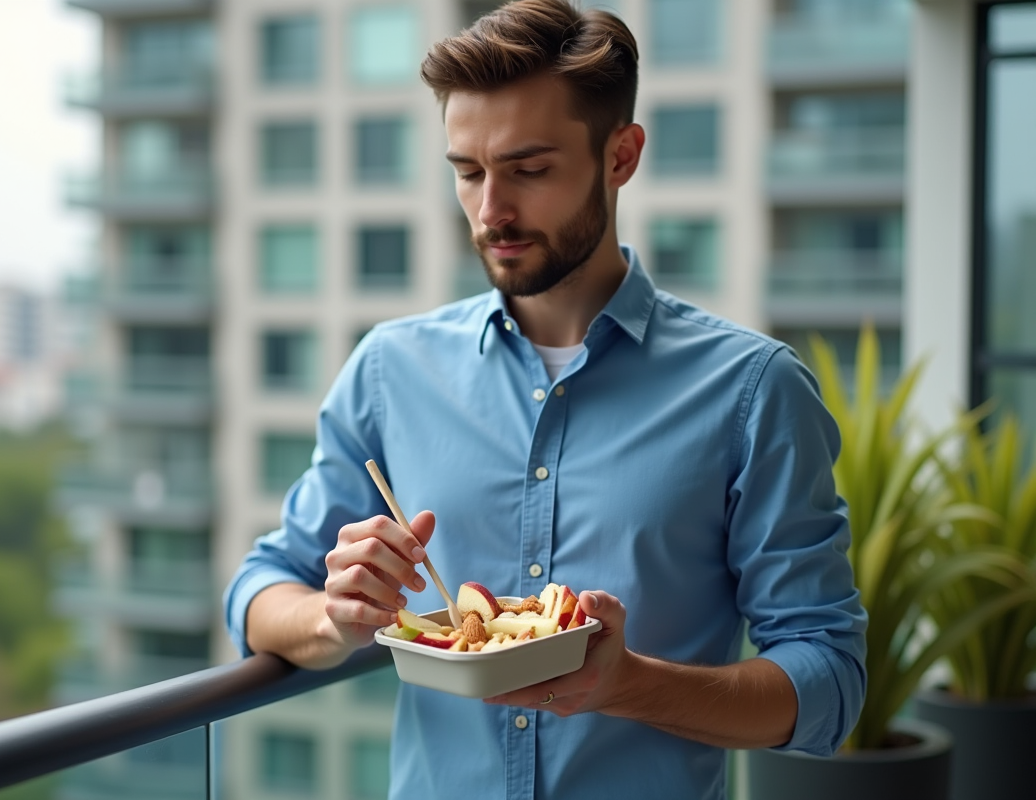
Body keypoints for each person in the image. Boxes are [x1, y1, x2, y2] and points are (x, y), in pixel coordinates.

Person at [224, 1, 867, 797]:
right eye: (467, 172)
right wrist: (334, 618)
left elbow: (829, 680)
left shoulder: (753, 391)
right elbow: (259, 588)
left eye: (528, 170)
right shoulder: (391, 368)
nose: (491, 210)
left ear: (621, 155)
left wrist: (627, 683)